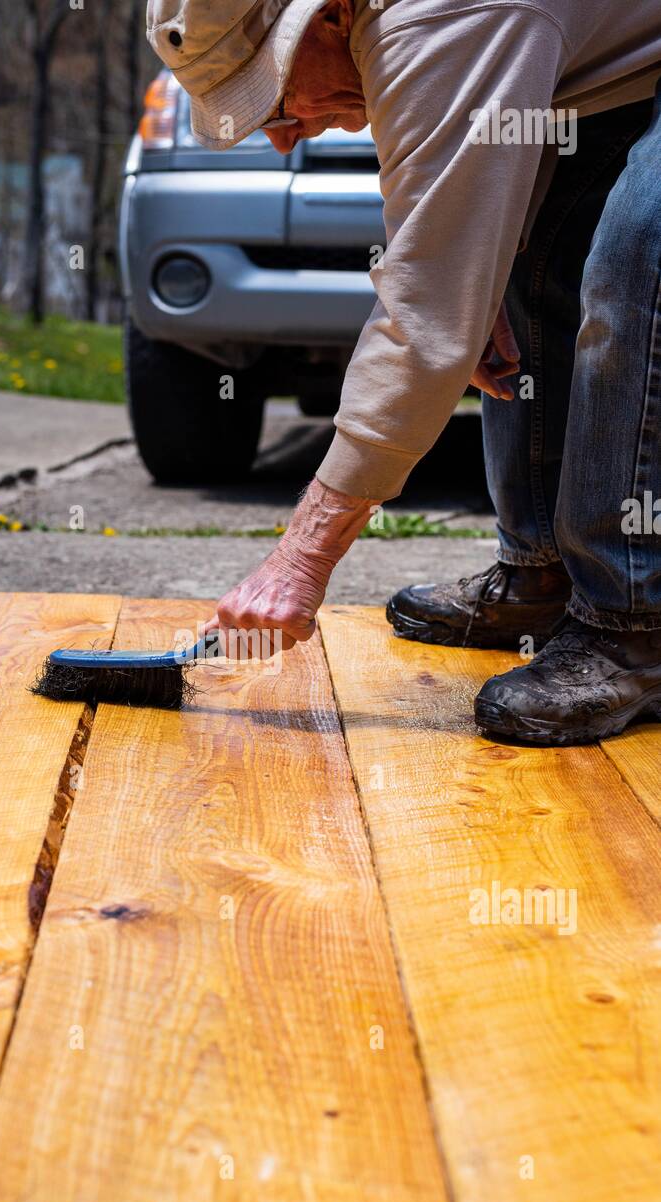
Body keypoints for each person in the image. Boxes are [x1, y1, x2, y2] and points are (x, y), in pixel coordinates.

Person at [146, 0, 661, 746]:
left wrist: (300, 559)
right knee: (524, 259)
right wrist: (471, 276)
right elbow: (439, 207)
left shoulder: (433, 21)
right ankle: (541, 572)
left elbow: (422, 322)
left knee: (636, 270)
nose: (281, 133)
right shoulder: (388, 27)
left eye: (276, 98)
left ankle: (633, 622)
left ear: (328, 19)